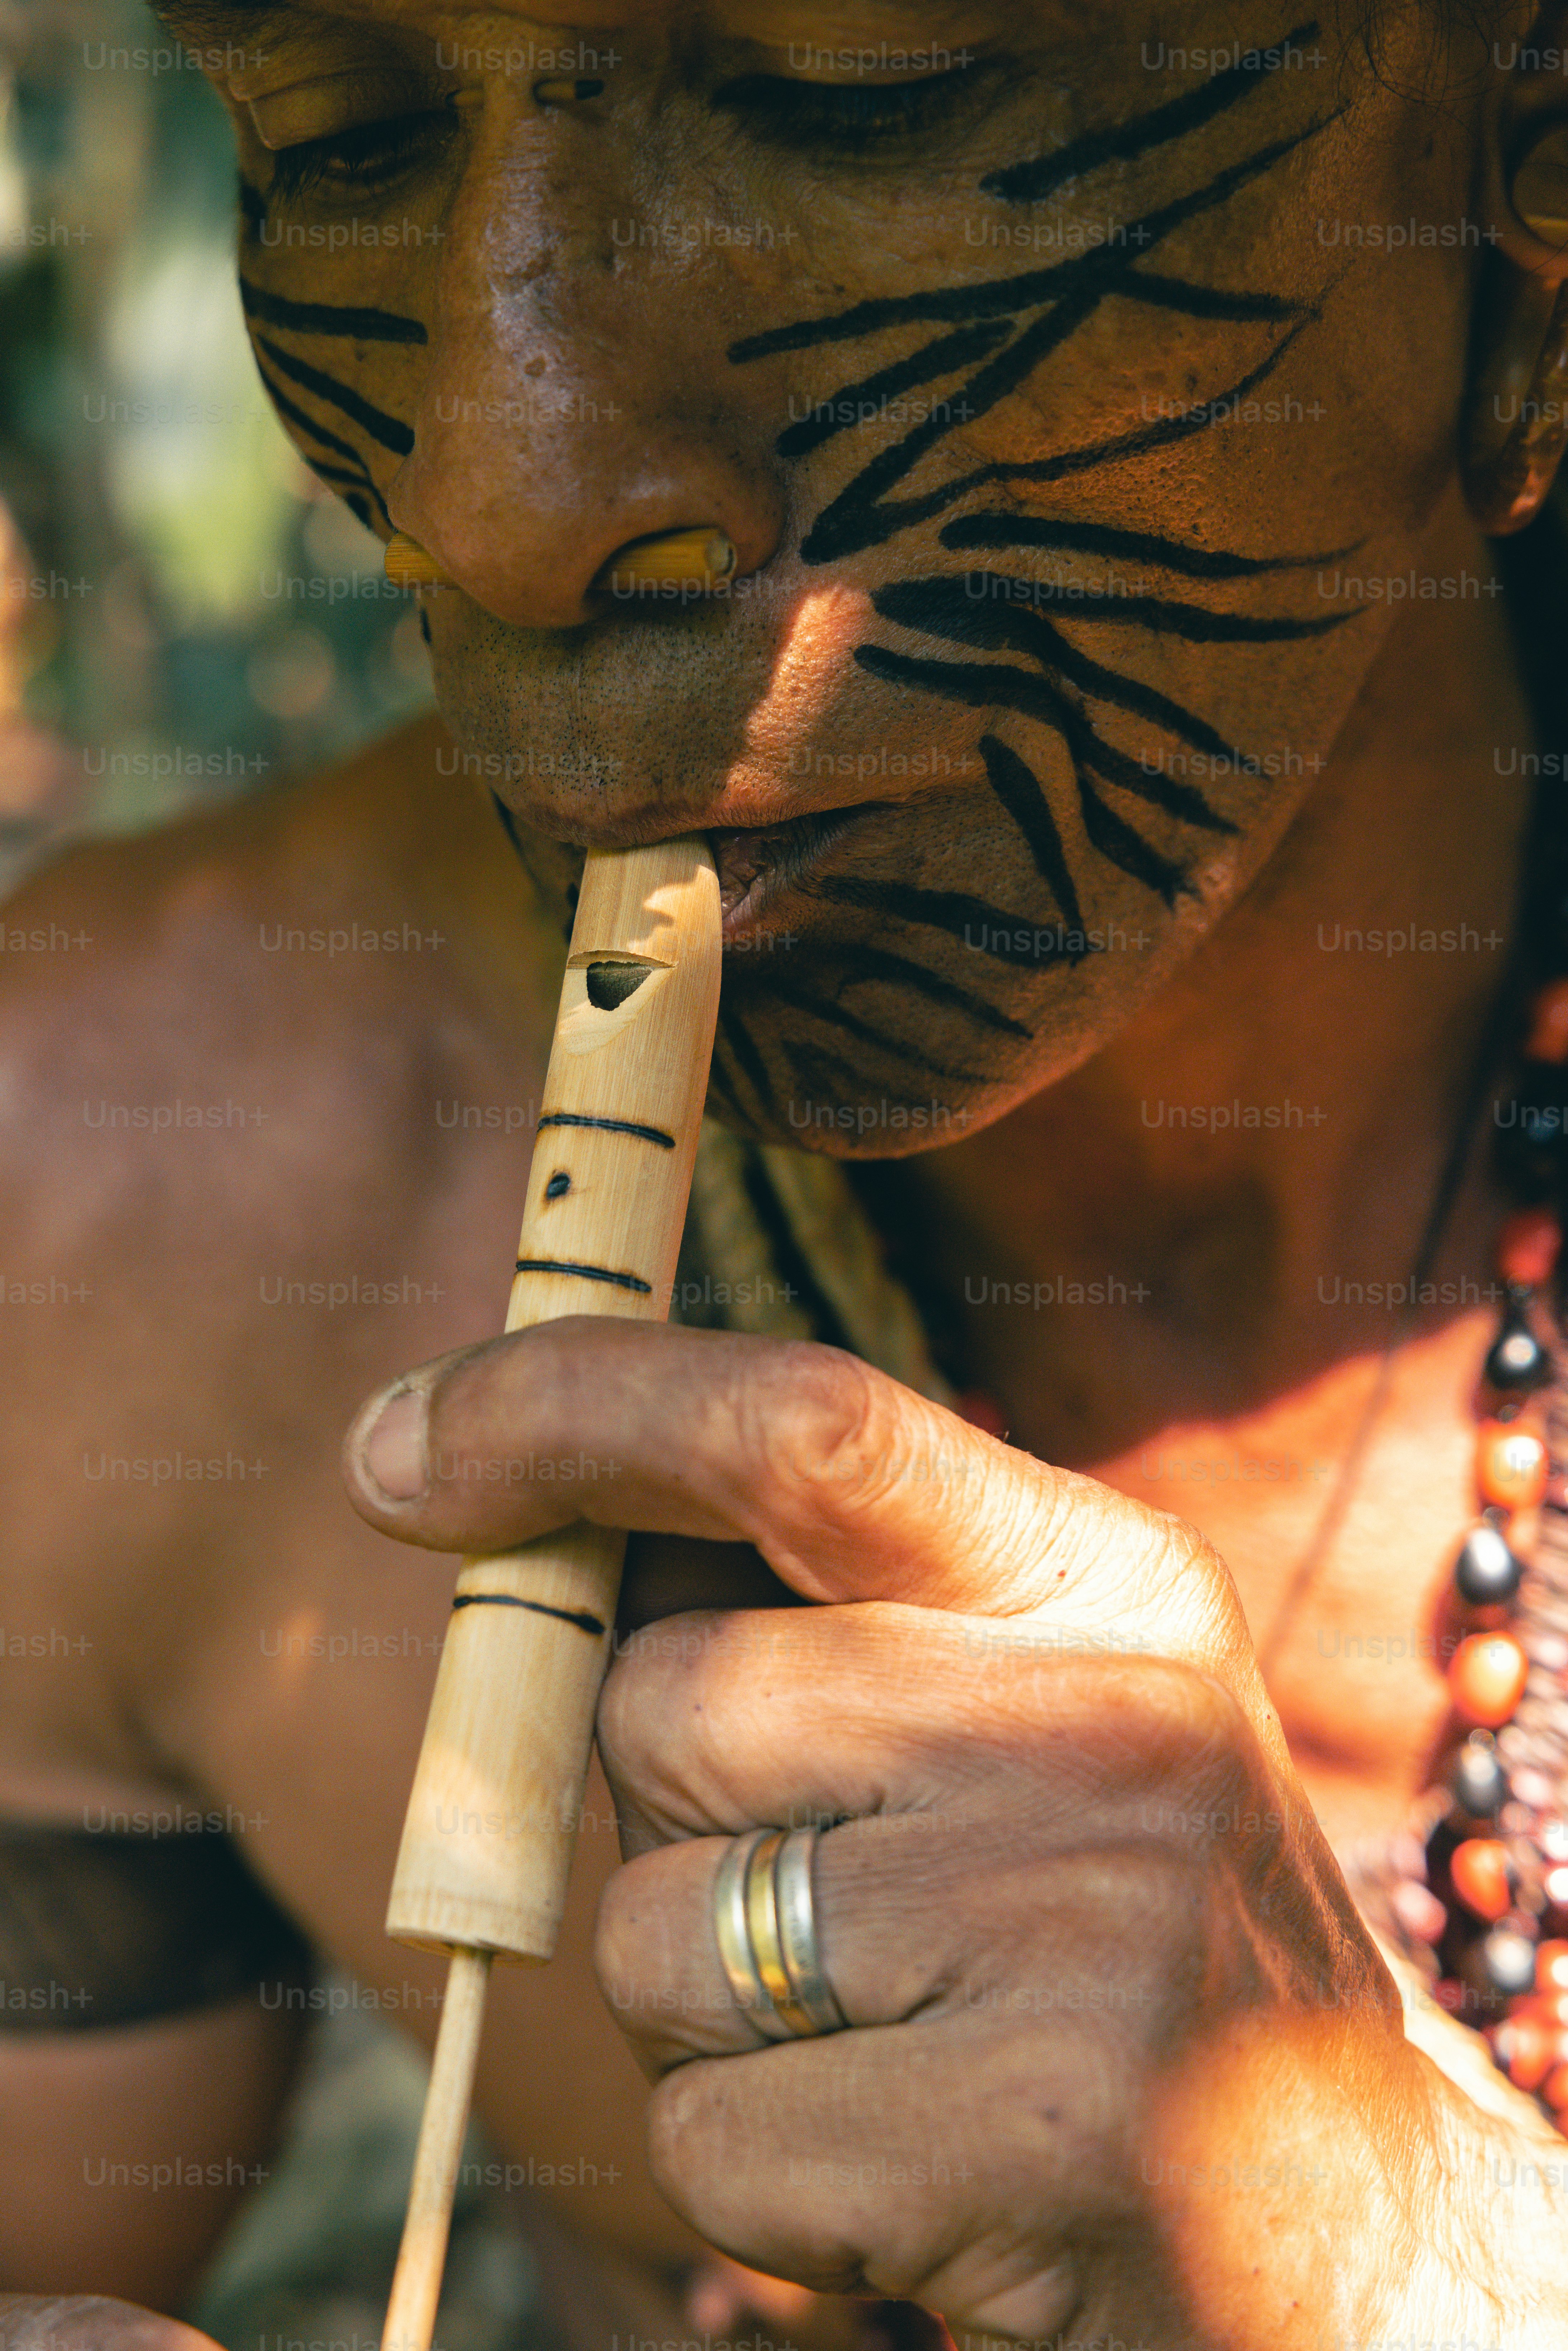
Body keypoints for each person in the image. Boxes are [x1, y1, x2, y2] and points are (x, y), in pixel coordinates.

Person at [4, 1, 1568, 2345]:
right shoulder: (125, 1173)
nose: (497, 488)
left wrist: (1406, 2258)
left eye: (866, 90)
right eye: (338, 125)